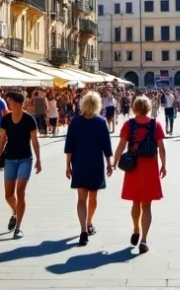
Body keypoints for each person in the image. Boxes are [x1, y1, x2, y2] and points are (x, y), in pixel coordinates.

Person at [112, 95, 166, 254]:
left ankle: (136, 229)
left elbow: (121, 145)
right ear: (148, 108)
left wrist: (113, 163)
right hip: (150, 167)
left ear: (134, 108)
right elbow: (161, 147)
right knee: (147, 205)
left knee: (135, 203)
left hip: (133, 166)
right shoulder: (155, 124)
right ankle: (144, 239)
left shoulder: (129, 124)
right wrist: (164, 165)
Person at [65, 90, 113, 246]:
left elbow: (69, 146)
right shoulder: (101, 122)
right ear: (98, 105)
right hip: (95, 164)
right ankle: (89, 222)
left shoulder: (75, 122)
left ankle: (83, 229)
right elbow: (107, 145)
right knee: (93, 197)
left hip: (79, 163)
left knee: (81, 198)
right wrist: (110, 162)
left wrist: (67, 165)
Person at [0, 91, 41, 239]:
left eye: (12, 103)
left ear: (20, 104)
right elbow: (2, 138)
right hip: (10, 159)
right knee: (8, 195)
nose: (10, 105)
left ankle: (18, 227)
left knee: (20, 192)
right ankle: (16, 211)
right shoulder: (6, 119)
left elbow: (35, 141)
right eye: (9, 102)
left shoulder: (29, 120)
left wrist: (38, 160)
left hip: (25, 159)